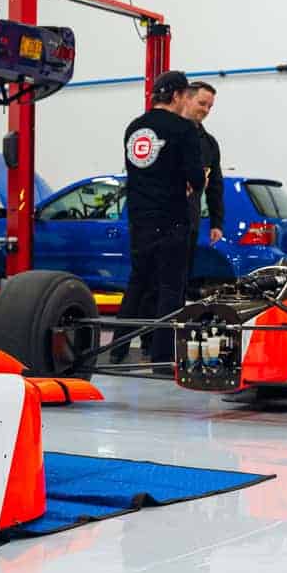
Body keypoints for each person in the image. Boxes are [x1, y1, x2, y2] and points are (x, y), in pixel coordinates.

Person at [117, 70, 205, 369]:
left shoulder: (134, 128)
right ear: (177, 96)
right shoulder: (183, 129)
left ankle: (117, 349)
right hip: (171, 219)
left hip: (139, 218)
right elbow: (196, 177)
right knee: (170, 289)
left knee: (137, 283)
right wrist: (195, 181)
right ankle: (162, 358)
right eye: (186, 97)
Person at [186, 82, 225, 248]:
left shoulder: (209, 144)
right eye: (202, 104)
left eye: (210, 106)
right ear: (186, 99)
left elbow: (215, 185)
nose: (206, 110)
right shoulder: (166, 134)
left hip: (190, 224)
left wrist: (216, 223)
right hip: (161, 223)